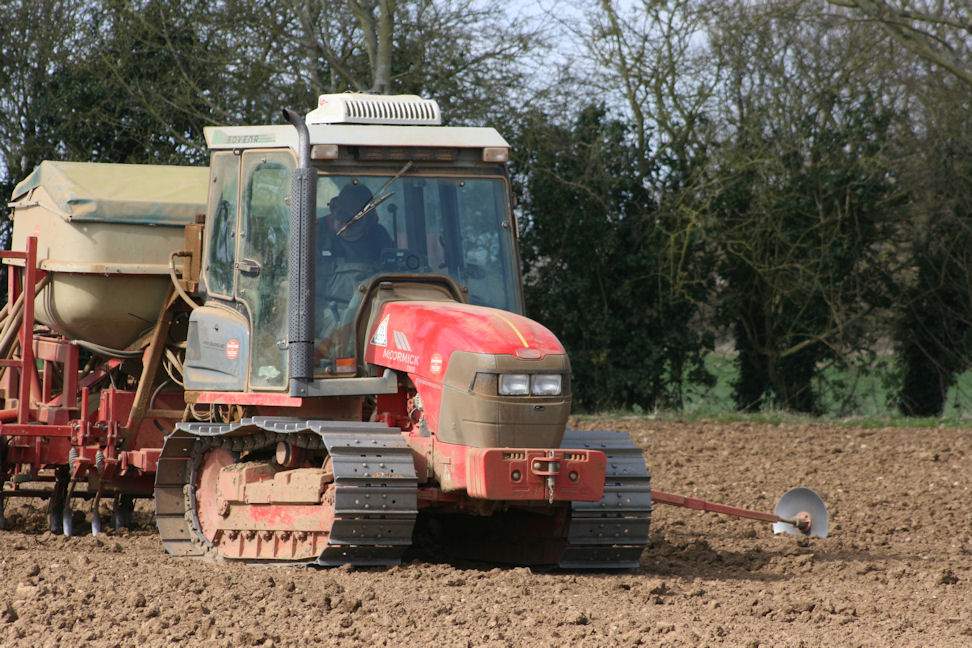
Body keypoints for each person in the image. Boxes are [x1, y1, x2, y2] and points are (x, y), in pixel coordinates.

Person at [315, 182, 394, 368]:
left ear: (371, 220)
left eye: (356, 222)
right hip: (322, 307)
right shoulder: (314, 233)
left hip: (368, 308)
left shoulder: (379, 238)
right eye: (343, 220)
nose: (348, 227)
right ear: (333, 209)